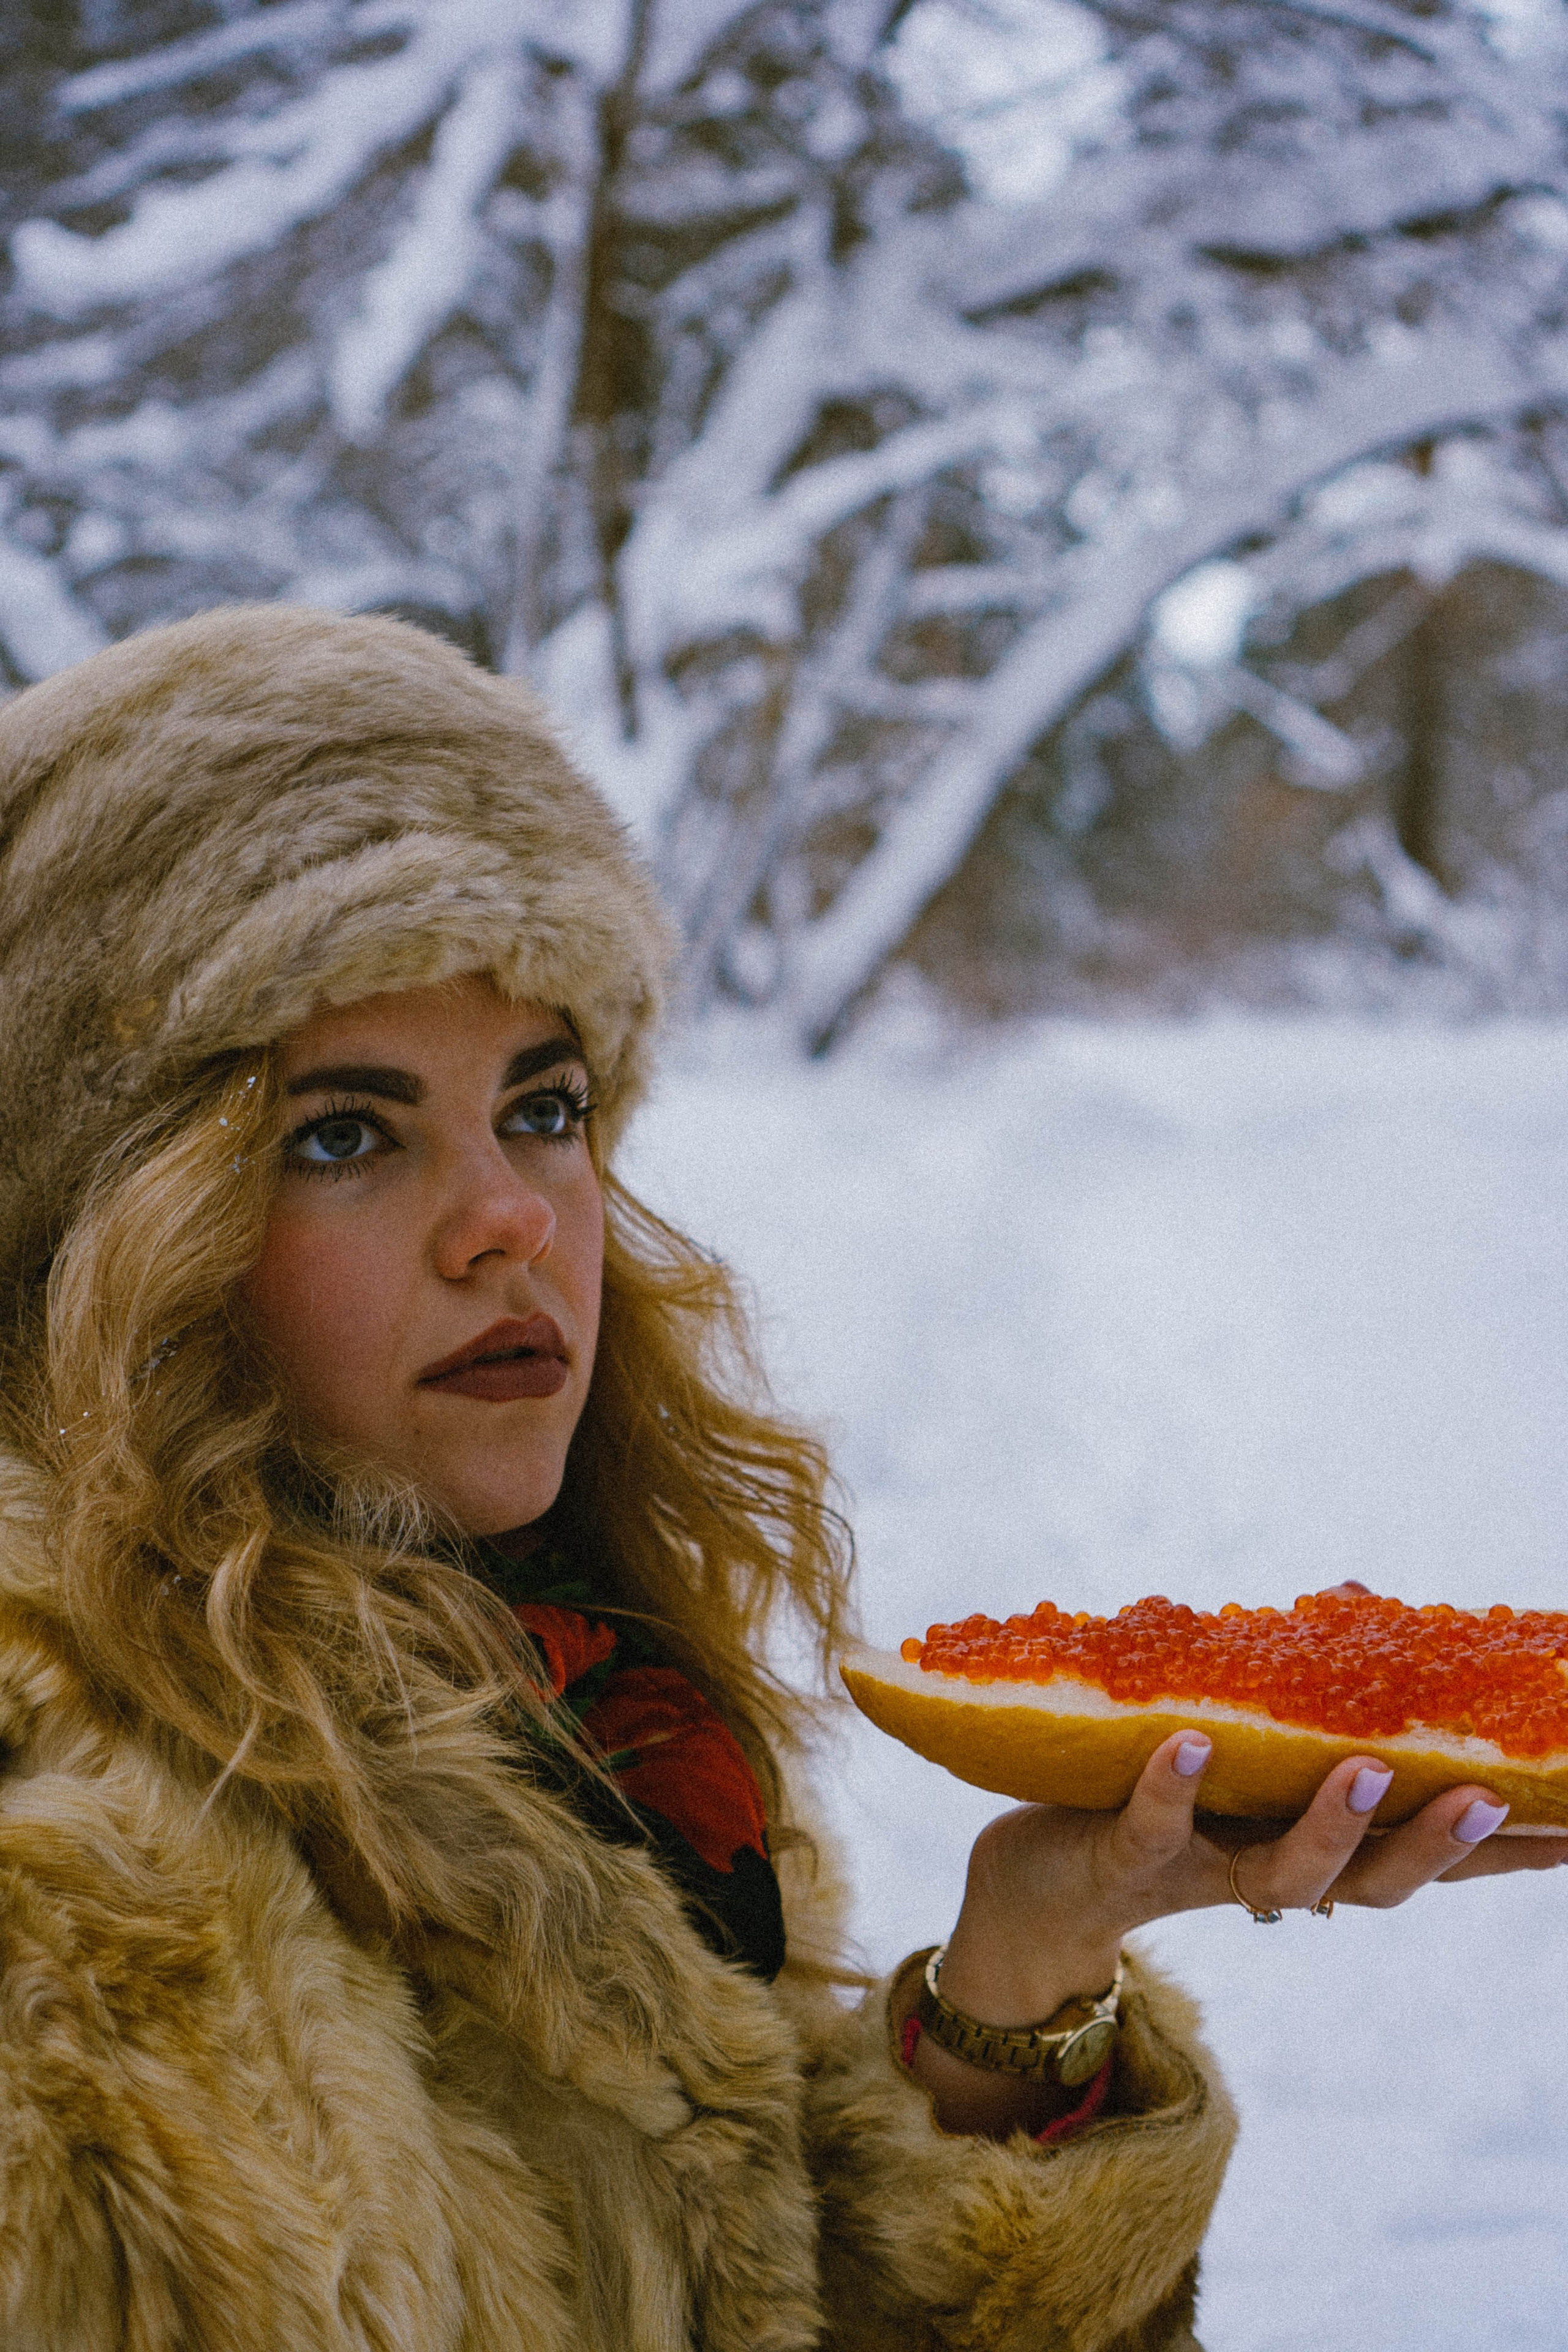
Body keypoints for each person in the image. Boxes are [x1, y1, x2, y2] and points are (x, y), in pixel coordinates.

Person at [0, 606, 1558, 2352]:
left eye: (545, 1107)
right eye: (344, 1134)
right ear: (107, 1239)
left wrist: (1025, 1980)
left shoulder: (597, 1709)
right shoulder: (75, 1915)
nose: (512, 1219)